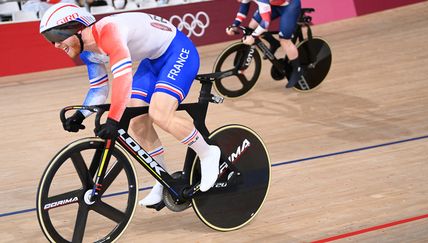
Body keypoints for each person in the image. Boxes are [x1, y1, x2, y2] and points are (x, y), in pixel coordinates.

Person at [39, 3, 221, 207]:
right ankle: (162, 181)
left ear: (77, 28)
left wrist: (114, 120)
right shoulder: (88, 52)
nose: (55, 45)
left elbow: (123, 80)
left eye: (56, 37)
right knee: (137, 123)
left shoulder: (109, 32)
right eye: (50, 40)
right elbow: (99, 89)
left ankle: (208, 153)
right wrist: (81, 115)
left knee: (160, 114)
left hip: (178, 51)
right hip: (153, 60)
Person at [226, 0, 302, 88]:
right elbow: (244, 6)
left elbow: (266, 22)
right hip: (272, 4)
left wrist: (253, 36)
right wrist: (234, 25)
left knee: (284, 40)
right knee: (252, 27)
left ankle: (297, 69)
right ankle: (273, 43)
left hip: (289, 6)